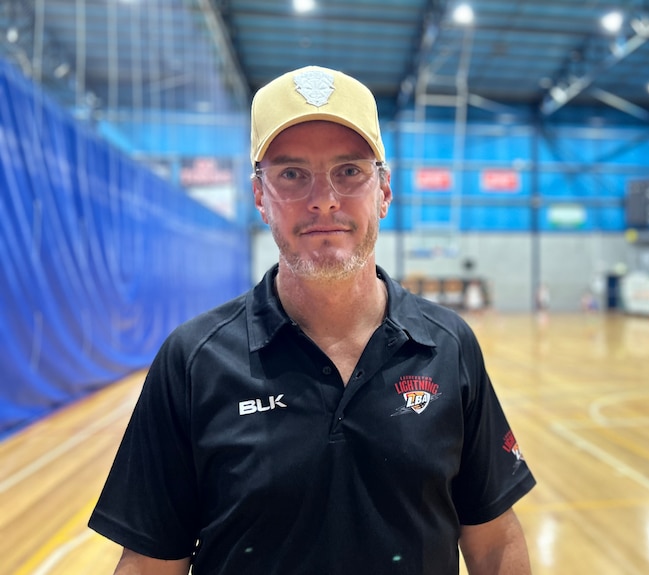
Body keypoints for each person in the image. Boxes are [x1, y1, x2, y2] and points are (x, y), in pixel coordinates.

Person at [88, 65, 536, 574]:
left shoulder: (449, 346)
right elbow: (150, 564)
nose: (323, 198)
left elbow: (494, 542)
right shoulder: (193, 360)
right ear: (260, 196)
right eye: (292, 174)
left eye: (349, 172)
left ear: (384, 191)